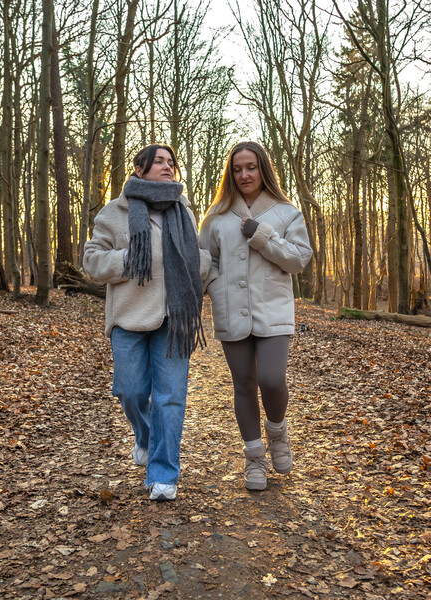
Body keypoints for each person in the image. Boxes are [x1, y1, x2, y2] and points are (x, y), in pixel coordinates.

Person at [83, 144, 209, 501]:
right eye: (159, 162)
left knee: (171, 397)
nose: (168, 167)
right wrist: (130, 257)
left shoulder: (183, 211)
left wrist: (198, 265)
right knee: (131, 391)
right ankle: (145, 436)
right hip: (129, 317)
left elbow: (197, 256)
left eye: (171, 162)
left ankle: (164, 474)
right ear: (139, 169)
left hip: (175, 318)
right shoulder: (115, 211)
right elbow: (92, 261)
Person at [199, 141, 313, 491]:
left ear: (263, 169)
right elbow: (205, 259)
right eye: (237, 169)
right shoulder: (216, 216)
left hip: (273, 307)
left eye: (251, 167)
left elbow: (299, 259)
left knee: (272, 379)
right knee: (244, 385)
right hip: (230, 309)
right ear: (229, 174)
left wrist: (261, 236)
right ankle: (254, 458)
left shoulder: (286, 212)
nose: (244, 174)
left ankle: (277, 432)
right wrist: (214, 284)